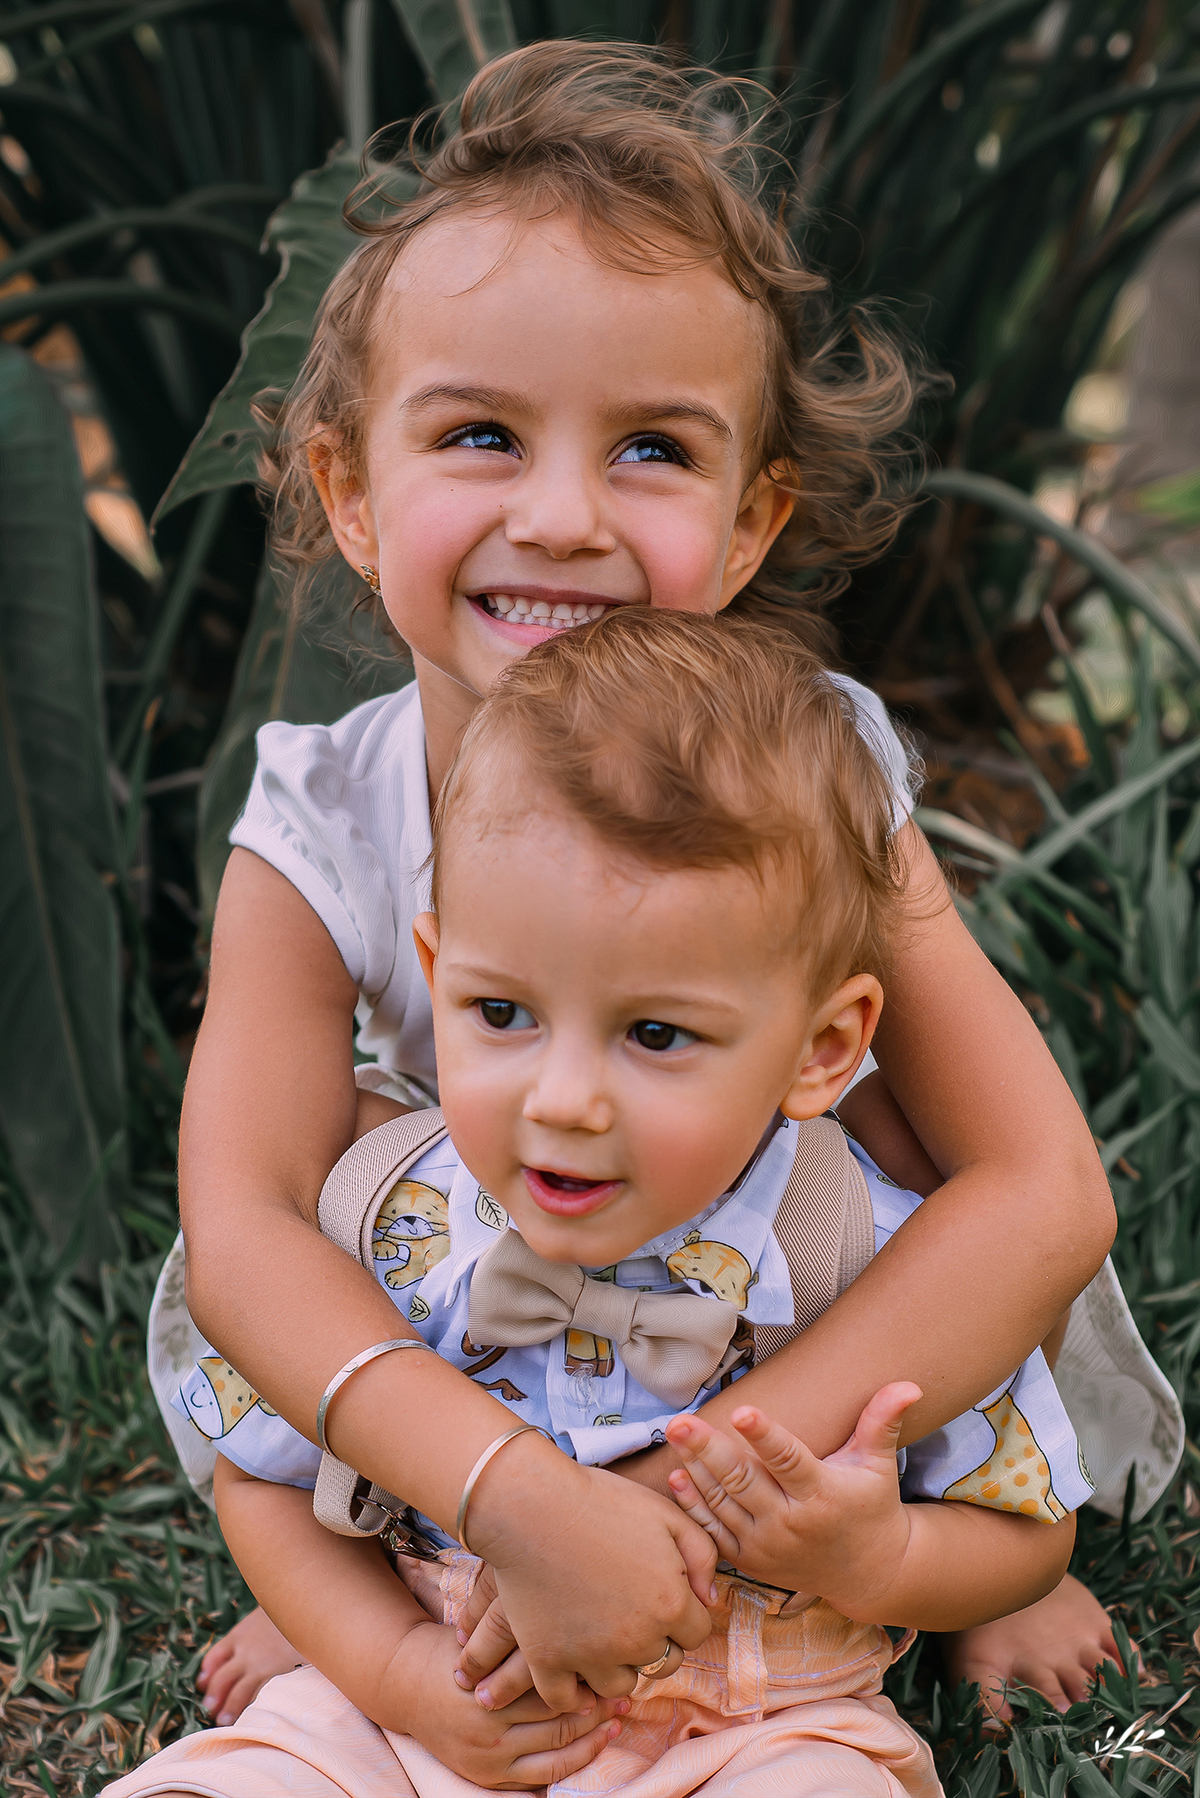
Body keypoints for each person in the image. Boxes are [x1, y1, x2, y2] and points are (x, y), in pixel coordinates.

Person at [149, 38, 1180, 1735]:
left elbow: (1042, 1189)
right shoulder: (327, 816)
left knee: (899, 1118)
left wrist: (708, 1496)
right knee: (309, 1155)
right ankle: (381, 1562)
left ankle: (971, 1524)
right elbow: (244, 1237)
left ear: (755, 515)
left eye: (651, 451)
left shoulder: (816, 770)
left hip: (768, 1315)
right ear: (348, 486)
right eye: (481, 433)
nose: (561, 516)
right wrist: (513, 1494)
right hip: (464, 1293)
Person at [116, 611, 1092, 1798]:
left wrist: (879, 1555)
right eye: (502, 1014)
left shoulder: (859, 1253)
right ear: (436, 973)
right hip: (439, 1710)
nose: (564, 1100)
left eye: (657, 1033)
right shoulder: (395, 1228)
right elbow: (261, 1477)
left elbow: (1027, 1526)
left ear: (821, 1051)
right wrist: (399, 1670)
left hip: (752, 1722)